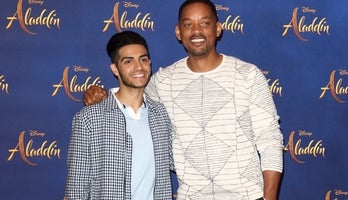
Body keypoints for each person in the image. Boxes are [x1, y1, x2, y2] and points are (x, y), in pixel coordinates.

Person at [84, 0, 284, 199]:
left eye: (205, 23)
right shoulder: (163, 81)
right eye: (188, 24)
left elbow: (270, 140)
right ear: (179, 32)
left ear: (218, 29)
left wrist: (269, 197)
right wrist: (101, 95)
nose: (196, 31)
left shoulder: (248, 75)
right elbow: (131, 100)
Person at [65, 31, 173, 200]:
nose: (139, 67)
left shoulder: (161, 115)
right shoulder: (89, 119)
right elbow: (76, 187)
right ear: (115, 69)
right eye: (128, 61)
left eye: (143, 59)